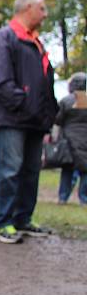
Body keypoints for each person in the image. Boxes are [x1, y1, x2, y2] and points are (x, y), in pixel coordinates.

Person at [0, 0, 58, 244]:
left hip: (35, 120)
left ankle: (23, 219)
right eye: (42, 8)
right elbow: (1, 81)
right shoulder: (4, 38)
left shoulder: (37, 42)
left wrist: (49, 112)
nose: (45, 14)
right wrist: (24, 104)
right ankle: (3, 222)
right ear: (28, 7)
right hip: (12, 119)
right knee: (9, 170)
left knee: (30, 171)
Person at [55, 72, 87, 205]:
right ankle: (84, 198)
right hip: (85, 141)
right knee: (85, 170)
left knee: (67, 170)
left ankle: (63, 198)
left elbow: (57, 119)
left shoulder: (66, 101)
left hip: (68, 140)